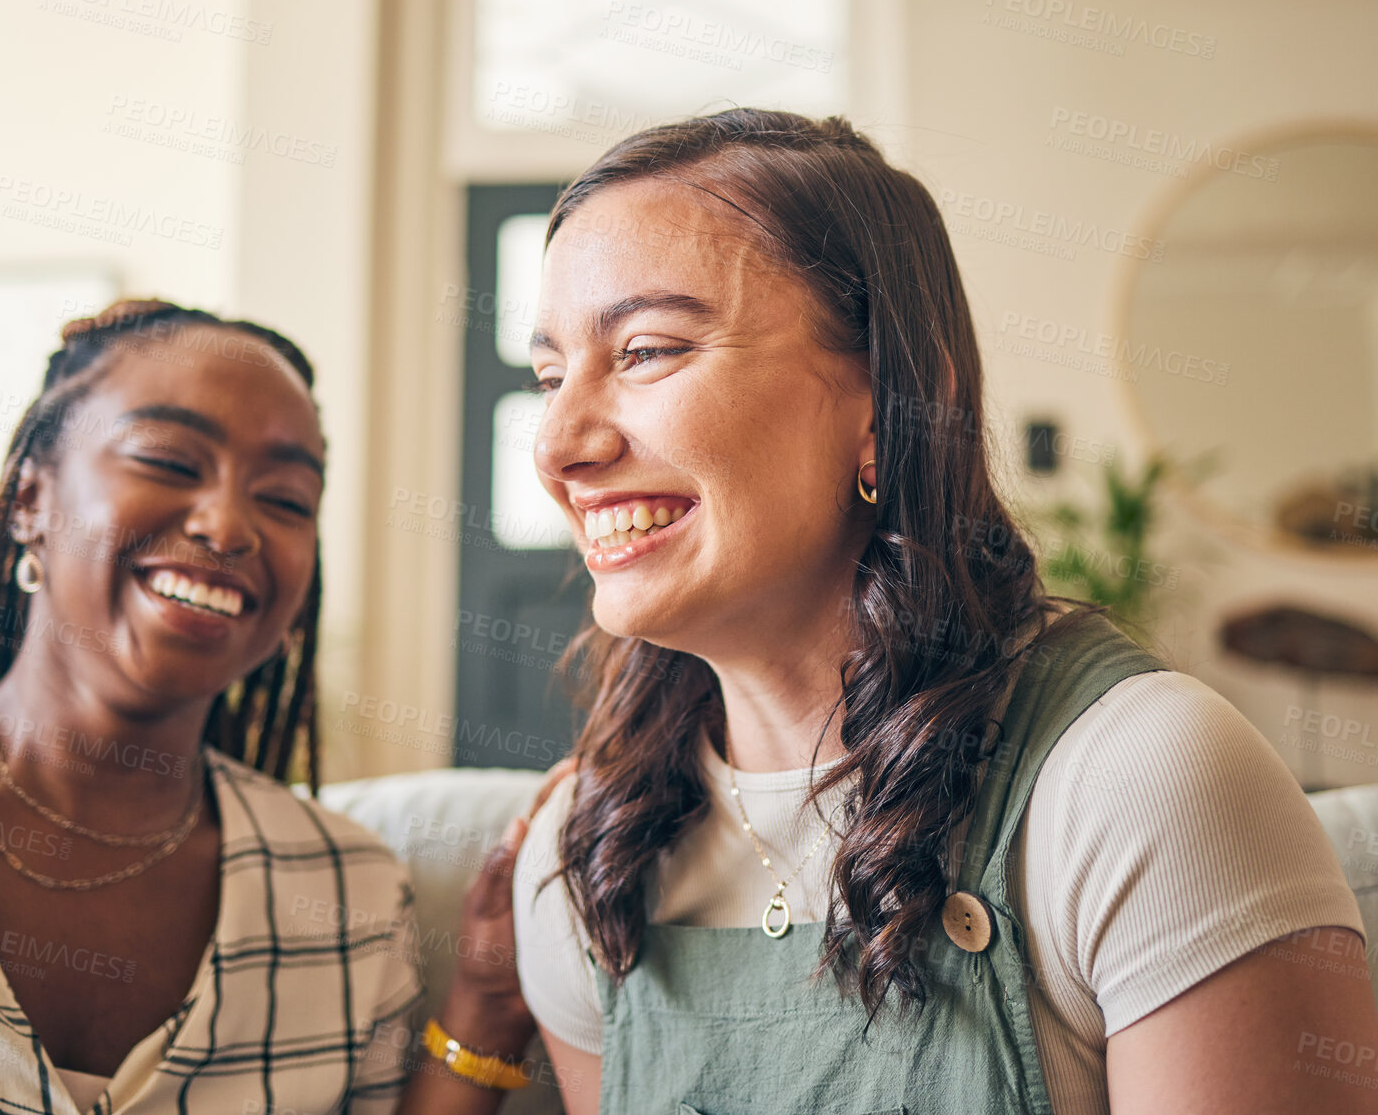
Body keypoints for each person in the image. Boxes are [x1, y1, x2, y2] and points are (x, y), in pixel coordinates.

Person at [510, 110, 1378, 1114]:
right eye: (547, 375)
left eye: (648, 350)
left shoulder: (1146, 780)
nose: (557, 444)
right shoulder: (585, 854)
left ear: (890, 402)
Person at [0, 300, 544, 1114]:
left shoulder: (343, 890)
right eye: (167, 459)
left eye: (284, 498)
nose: (230, 526)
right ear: (31, 498)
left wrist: (483, 1010)